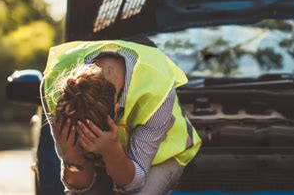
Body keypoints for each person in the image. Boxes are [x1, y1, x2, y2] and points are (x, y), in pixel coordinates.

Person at [40, 39, 202, 194]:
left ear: (117, 111)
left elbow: (132, 186)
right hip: (104, 158)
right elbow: (79, 187)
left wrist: (111, 151)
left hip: (161, 157)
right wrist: (72, 154)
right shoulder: (55, 88)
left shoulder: (157, 87)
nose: (87, 144)